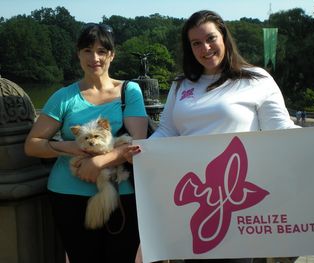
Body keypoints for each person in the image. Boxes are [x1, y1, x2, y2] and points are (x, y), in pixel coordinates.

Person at [131, 10, 299, 263]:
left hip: (236, 197)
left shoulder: (257, 79)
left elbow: (281, 130)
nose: (205, 48)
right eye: (196, 43)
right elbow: (167, 131)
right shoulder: (181, 85)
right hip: (193, 198)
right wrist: (140, 150)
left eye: (211, 39)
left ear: (224, 37)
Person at [24, 23, 148, 263]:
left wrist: (100, 161)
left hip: (121, 194)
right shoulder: (64, 97)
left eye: (102, 51)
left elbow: (138, 144)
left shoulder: (129, 92)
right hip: (68, 195)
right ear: (78, 54)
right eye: (87, 51)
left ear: (112, 54)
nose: (95, 58)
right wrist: (68, 147)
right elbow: (32, 144)